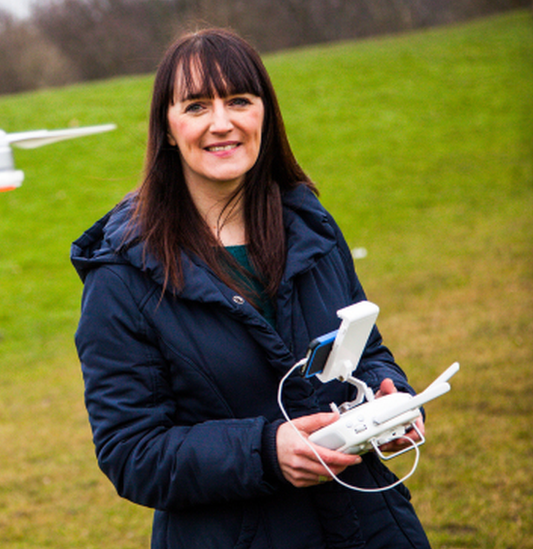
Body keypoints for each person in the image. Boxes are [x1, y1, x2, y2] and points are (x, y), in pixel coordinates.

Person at [71, 28, 432, 549]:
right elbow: (132, 452)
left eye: (239, 100)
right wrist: (265, 451)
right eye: (196, 106)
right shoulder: (122, 277)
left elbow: (366, 348)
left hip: (369, 523)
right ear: (168, 129)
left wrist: (387, 396)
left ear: (265, 112)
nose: (222, 123)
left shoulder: (311, 228)